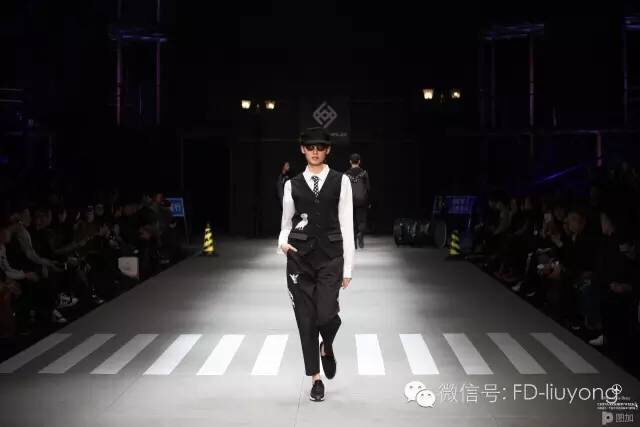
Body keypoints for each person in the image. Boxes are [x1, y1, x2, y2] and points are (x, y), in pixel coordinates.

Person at [277, 126, 355, 402]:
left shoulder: (341, 181)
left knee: (326, 315)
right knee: (306, 321)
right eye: (310, 147)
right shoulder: (292, 184)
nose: (315, 152)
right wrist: (282, 243)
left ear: (328, 150)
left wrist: (348, 268)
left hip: (331, 257)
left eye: (320, 147)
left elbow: (347, 224)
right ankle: (316, 379)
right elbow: (286, 223)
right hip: (299, 259)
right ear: (302, 149)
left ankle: (327, 345)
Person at [345, 153, 371, 249]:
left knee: (351, 221)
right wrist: (368, 201)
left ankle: (353, 242)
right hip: (362, 200)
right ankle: (360, 233)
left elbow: (344, 190)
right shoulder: (364, 173)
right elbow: (368, 188)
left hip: (350, 201)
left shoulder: (346, 174)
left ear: (350, 162)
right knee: (362, 220)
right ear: (359, 161)